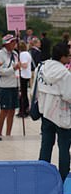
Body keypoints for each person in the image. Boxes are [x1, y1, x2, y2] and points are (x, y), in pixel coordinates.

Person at [37, 42, 71, 180]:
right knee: (63, 147)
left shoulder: (42, 66)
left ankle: (41, 173)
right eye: (68, 56)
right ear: (62, 57)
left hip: (45, 110)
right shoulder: (64, 73)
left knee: (46, 144)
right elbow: (68, 96)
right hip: (62, 114)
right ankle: (63, 177)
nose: (70, 58)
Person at [0, 34, 20, 137]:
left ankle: (8, 133)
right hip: (5, 86)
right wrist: (12, 69)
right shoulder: (0, 54)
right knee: (4, 110)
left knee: (12, 110)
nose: (15, 44)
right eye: (13, 42)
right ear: (7, 44)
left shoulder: (15, 54)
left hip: (15, 84)